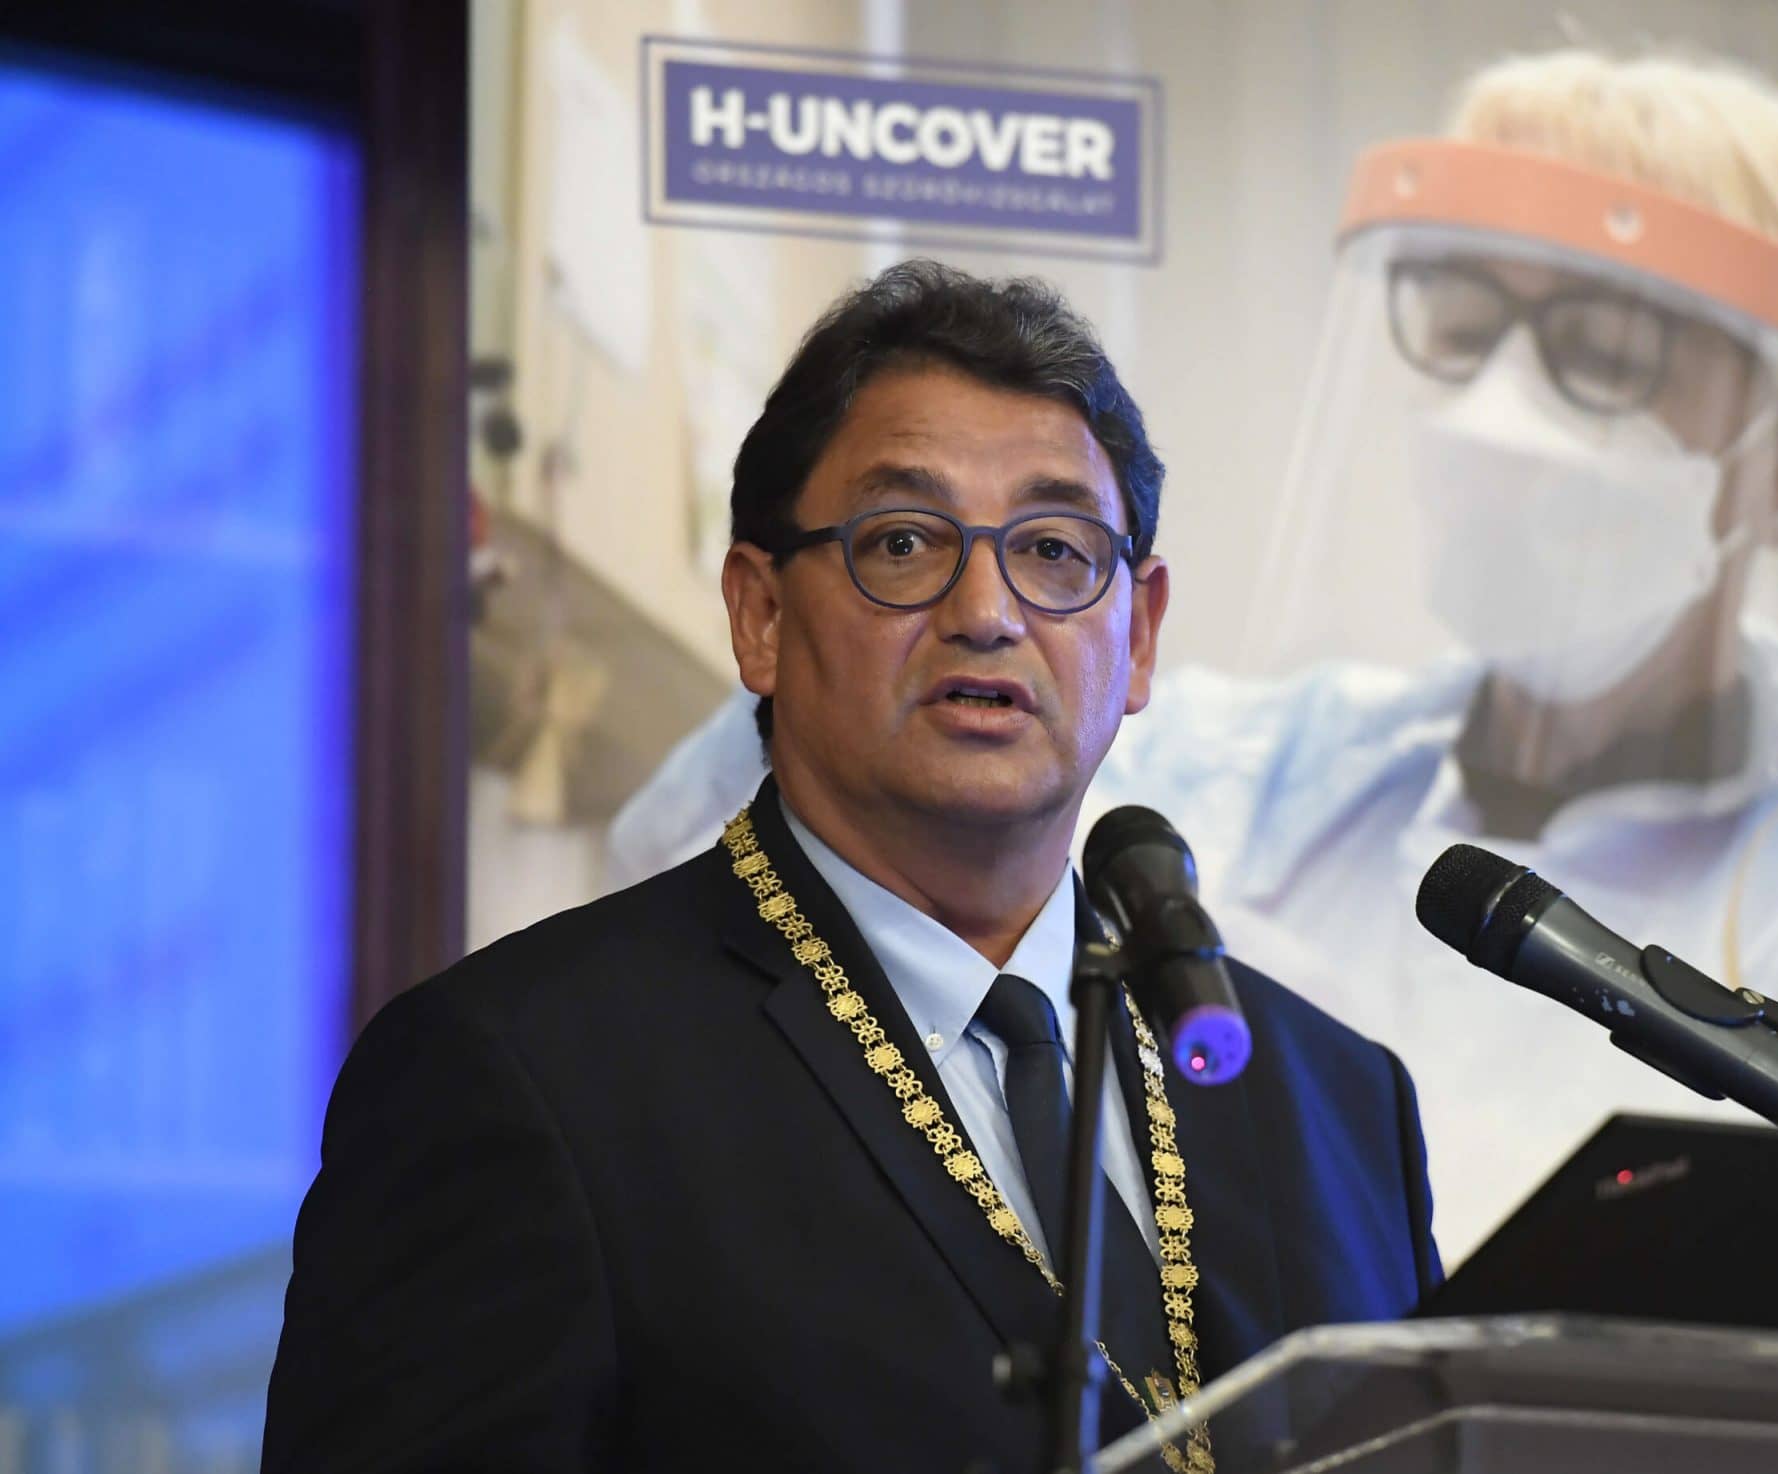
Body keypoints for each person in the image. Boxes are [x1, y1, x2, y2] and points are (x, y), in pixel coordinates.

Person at [607, 50, 1778, 1269]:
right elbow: (696, 842)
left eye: (1606, 352)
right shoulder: (1290, 754)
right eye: (1463, 326)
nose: (1499, 419)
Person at [261, 261, 1440, 1474]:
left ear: (1136, 635)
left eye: (1052, 549)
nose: (987, 611)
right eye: (903, 541)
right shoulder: (524, 1077)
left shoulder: (1337, 1107)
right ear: (760, 615)